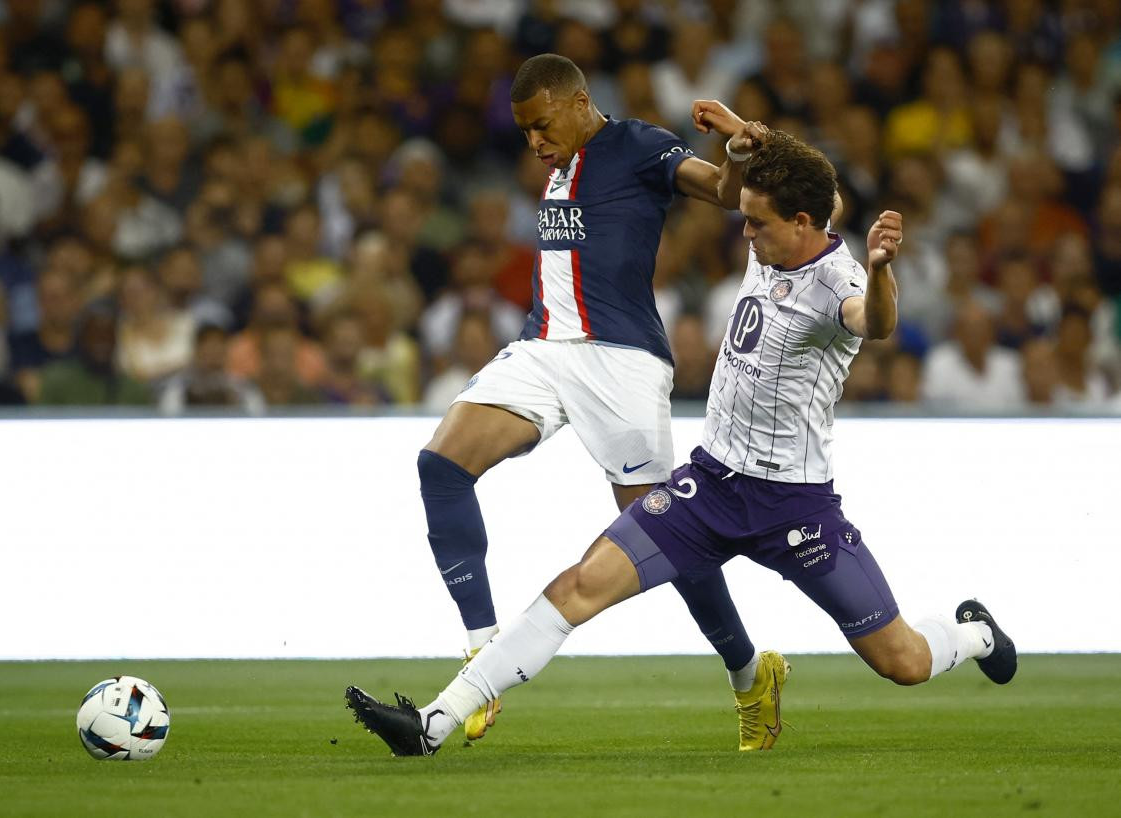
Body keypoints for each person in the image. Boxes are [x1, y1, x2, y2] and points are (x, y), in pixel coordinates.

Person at [346, 127, 1017, 757]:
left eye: (757, 223)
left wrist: (880, 269)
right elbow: (815, 177)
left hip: (795, 509)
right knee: (581, 585)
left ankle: (975, 632)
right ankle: (433, 723)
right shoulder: (790, 224)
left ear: (804, 225)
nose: (744, 232)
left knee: (902, 661)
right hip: (709, 487)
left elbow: (873, 323)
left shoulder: (840, 283)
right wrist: (738, 130)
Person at [413, 53, 787, 748]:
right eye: (525, 132)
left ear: (580, 102)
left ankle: (748, 674)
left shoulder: (637, 144)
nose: (535, 143)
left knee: (671, 538)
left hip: (621, 363)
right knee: (440, 465)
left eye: (542, 125)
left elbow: (725, 193)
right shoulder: (561, 167)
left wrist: (735, 154)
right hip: (543, 350)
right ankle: (480, 652)